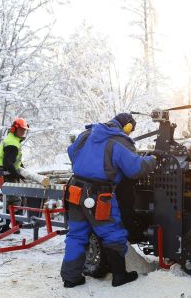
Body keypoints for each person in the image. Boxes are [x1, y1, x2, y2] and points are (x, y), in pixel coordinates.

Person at [60, 113, 157, 288]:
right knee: (112, 232)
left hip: (75, 189)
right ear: (127, 127)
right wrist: (152, 160)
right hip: (98, 194)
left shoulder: (86, 134)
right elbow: (135, 169)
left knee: (76, 234)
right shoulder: (118, 141)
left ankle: (70, 278)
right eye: (131, 130)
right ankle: (120, 276)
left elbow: (71, 151)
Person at [0, 117, 29, 187]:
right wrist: (16, 175)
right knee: (13, 196)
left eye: (24, 130)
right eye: (21, 130)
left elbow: (14, 159)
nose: (23, 132)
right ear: (14, 129)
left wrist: (22, 169)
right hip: (6, 174)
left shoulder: (13, 139)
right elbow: (7, 163)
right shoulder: (12, 143)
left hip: (7, 172)